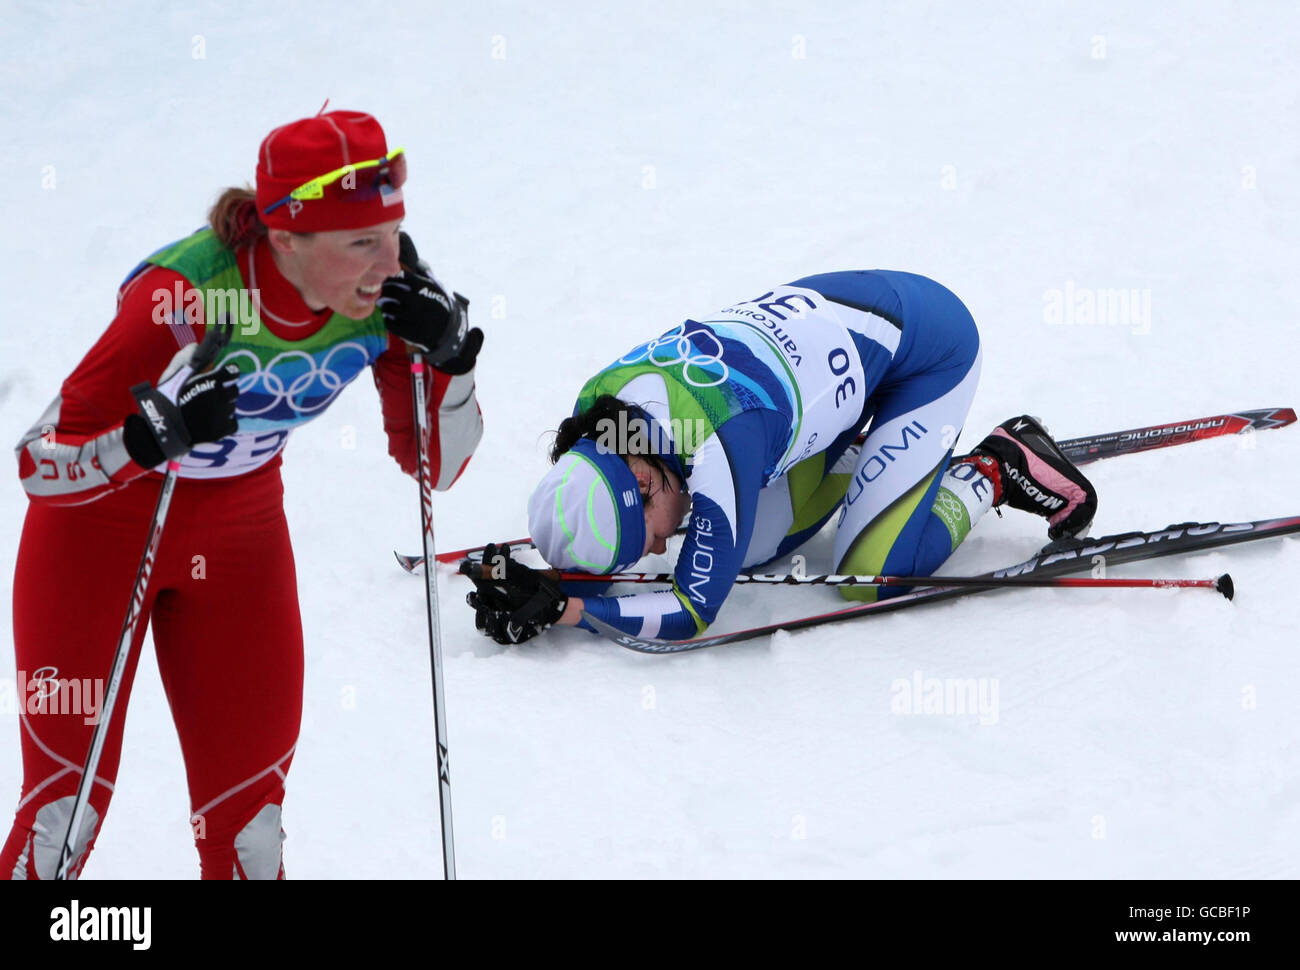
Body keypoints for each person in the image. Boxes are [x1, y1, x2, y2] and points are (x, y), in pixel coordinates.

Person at [3, 109, 483, 879]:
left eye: (392, 232)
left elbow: (438, 468)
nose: (387, 263)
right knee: (66, 811)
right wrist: (142, 442)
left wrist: (450, 360)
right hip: (98, 538)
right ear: (286, 238)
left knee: (250, 831)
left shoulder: (391, 303)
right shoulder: (184, 294)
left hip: (238, 542)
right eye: (361, 242)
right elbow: (35, 464)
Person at [463, 270, 1095, 644]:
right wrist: (540, 581)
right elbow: (621, 507)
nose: (658, 548)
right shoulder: (600, 411)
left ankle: (994, 465)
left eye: (646, 536)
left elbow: (690, 612)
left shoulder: (720, 448)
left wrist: (570, 610)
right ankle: (868, 461)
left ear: (638, 477)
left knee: (870, 576)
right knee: (753, 546)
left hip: (930, 350)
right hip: (832, 329)